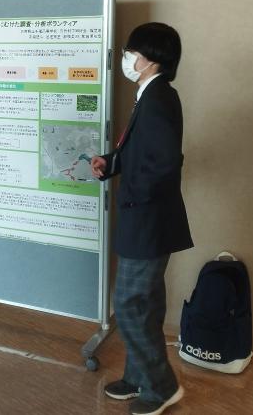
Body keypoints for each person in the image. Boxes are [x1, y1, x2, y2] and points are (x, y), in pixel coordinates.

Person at [91, 22, 193, 415]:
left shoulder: (159, 97)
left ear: (150, 58)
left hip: (147, 222)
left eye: (131, 53)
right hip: (146, 219)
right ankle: (138, 377)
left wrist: (134, 197)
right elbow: (140, 152)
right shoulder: (150, 93)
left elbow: (164, 164)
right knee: (144, 306)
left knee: (130, 305)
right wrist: (111, 163)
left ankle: (162, 387)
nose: (126, 59)